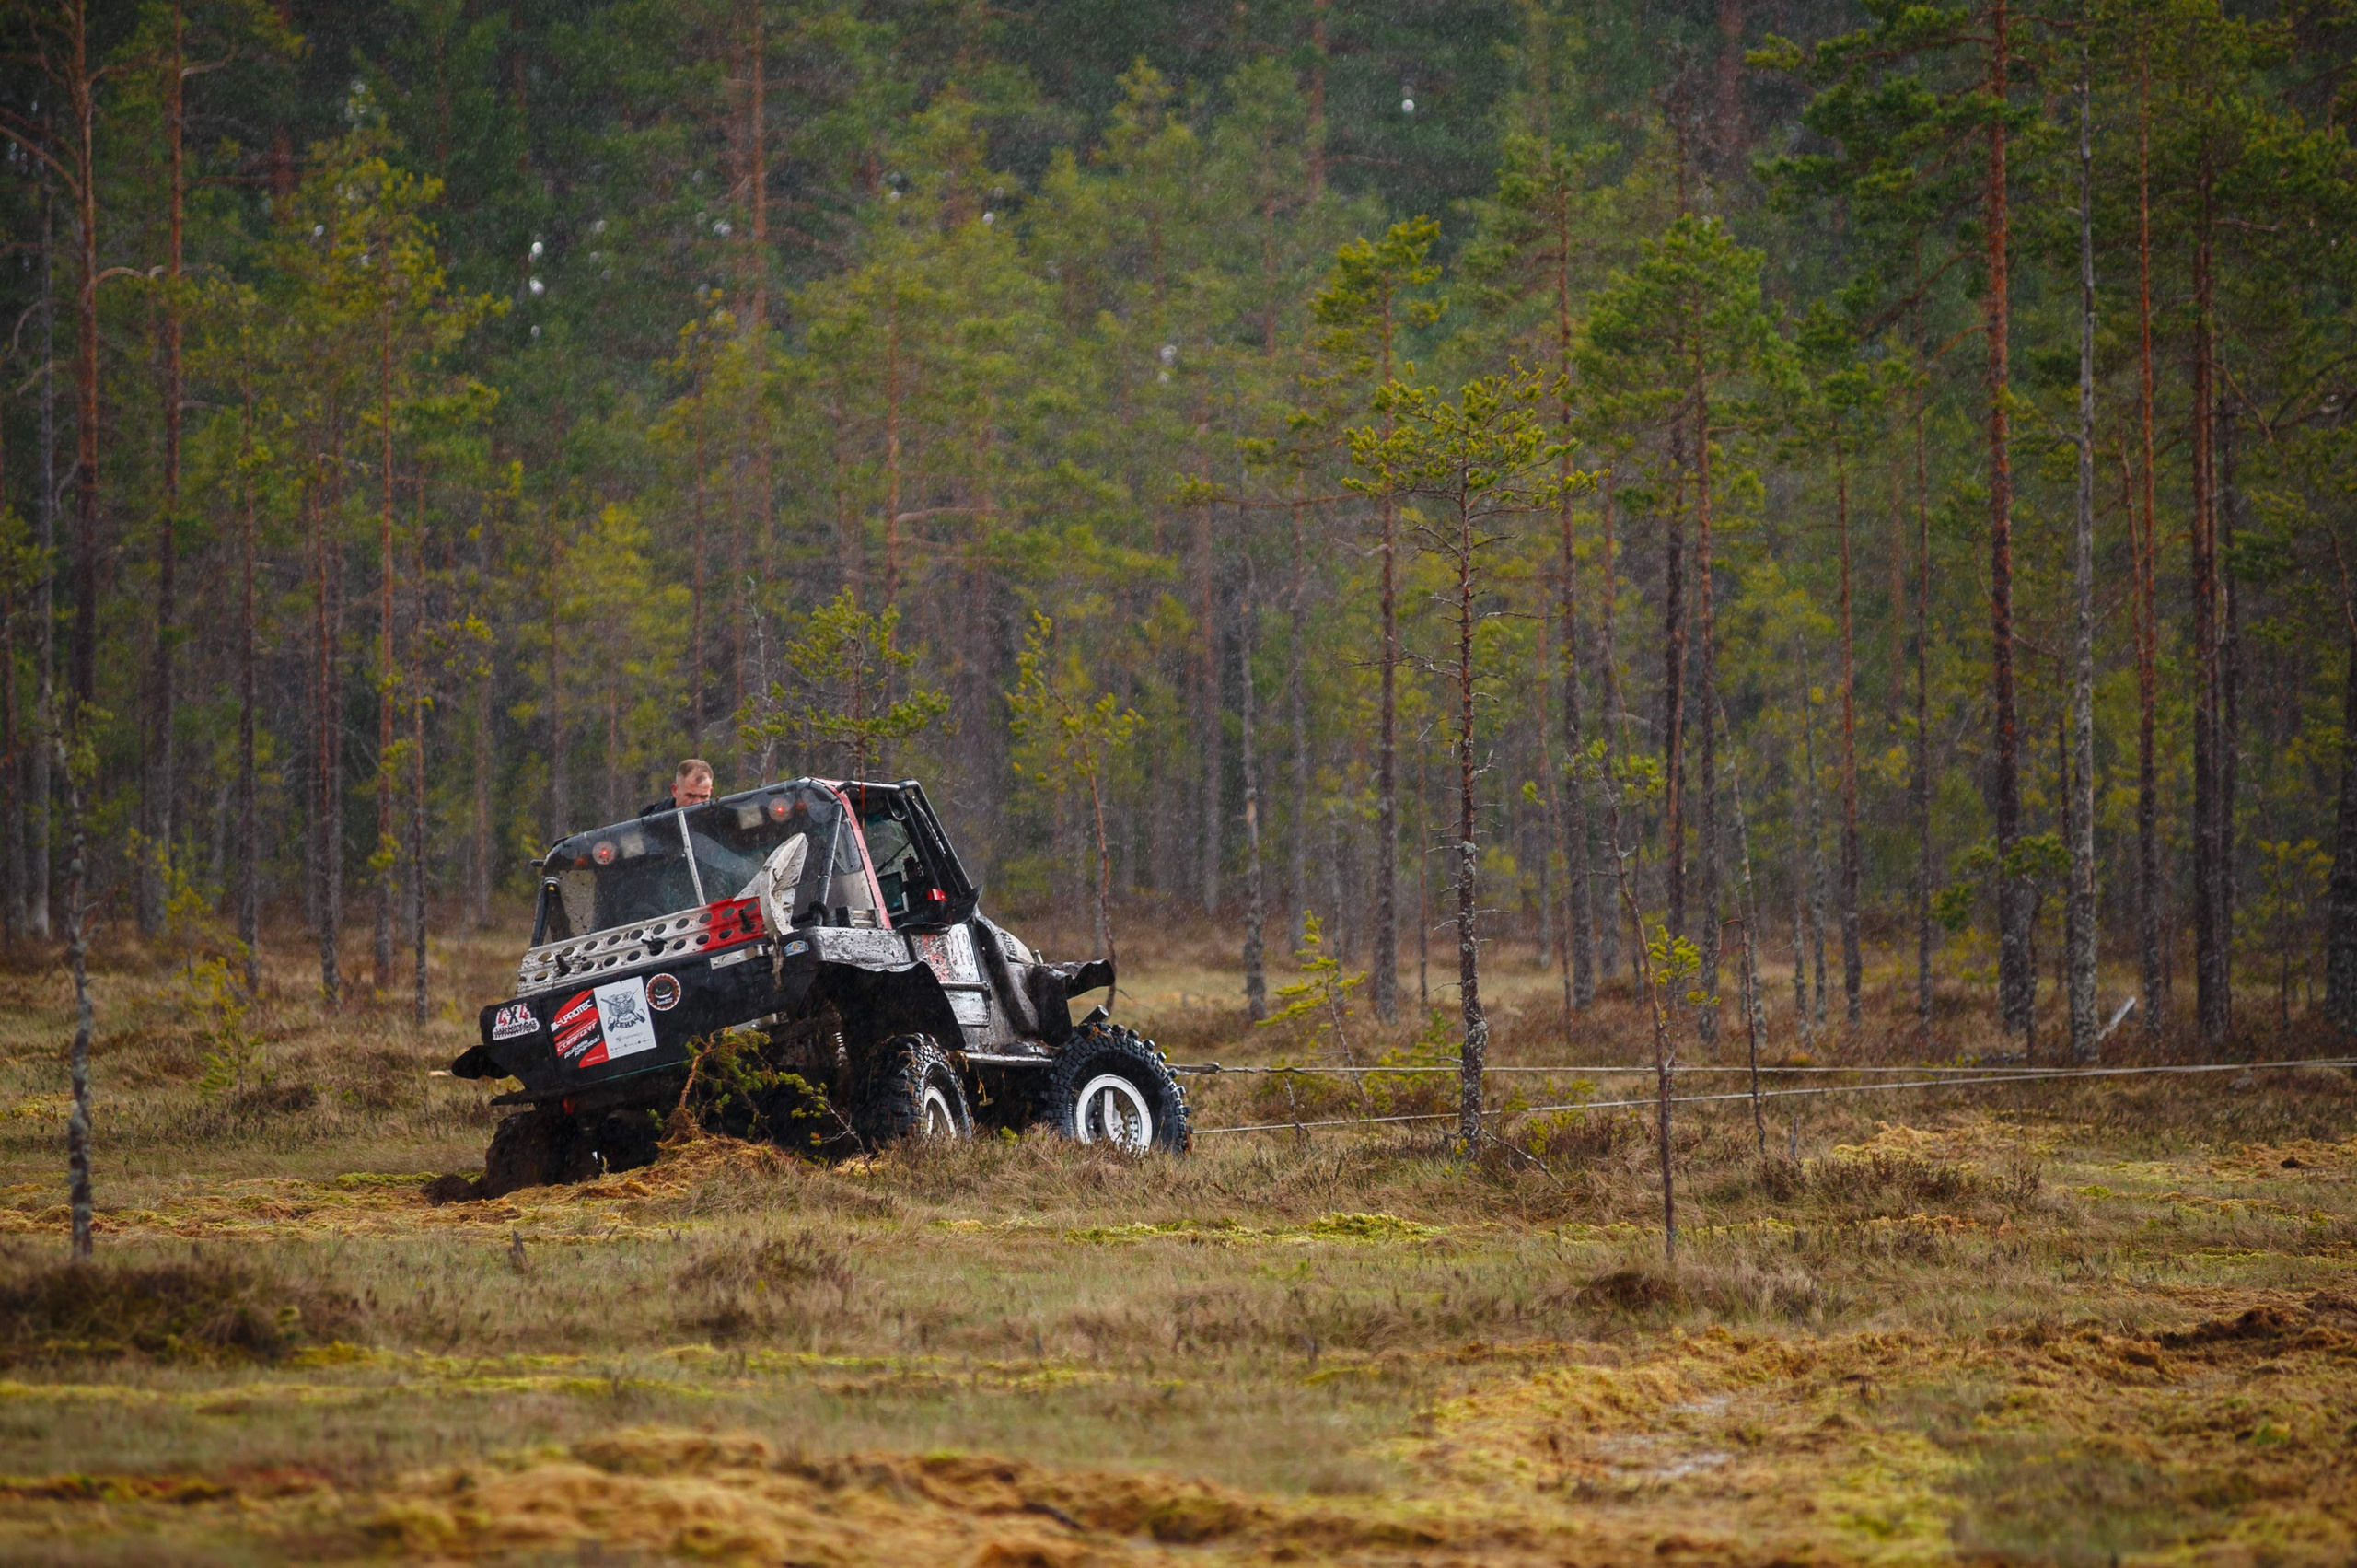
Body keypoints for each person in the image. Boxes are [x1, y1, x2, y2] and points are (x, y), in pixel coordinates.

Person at [641, 758, 714, 818]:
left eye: (703, 797)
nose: (697, 803)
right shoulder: (653, 820)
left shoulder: (719, 820)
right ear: (675, 790)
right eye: (690, 796)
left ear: (710, 792)